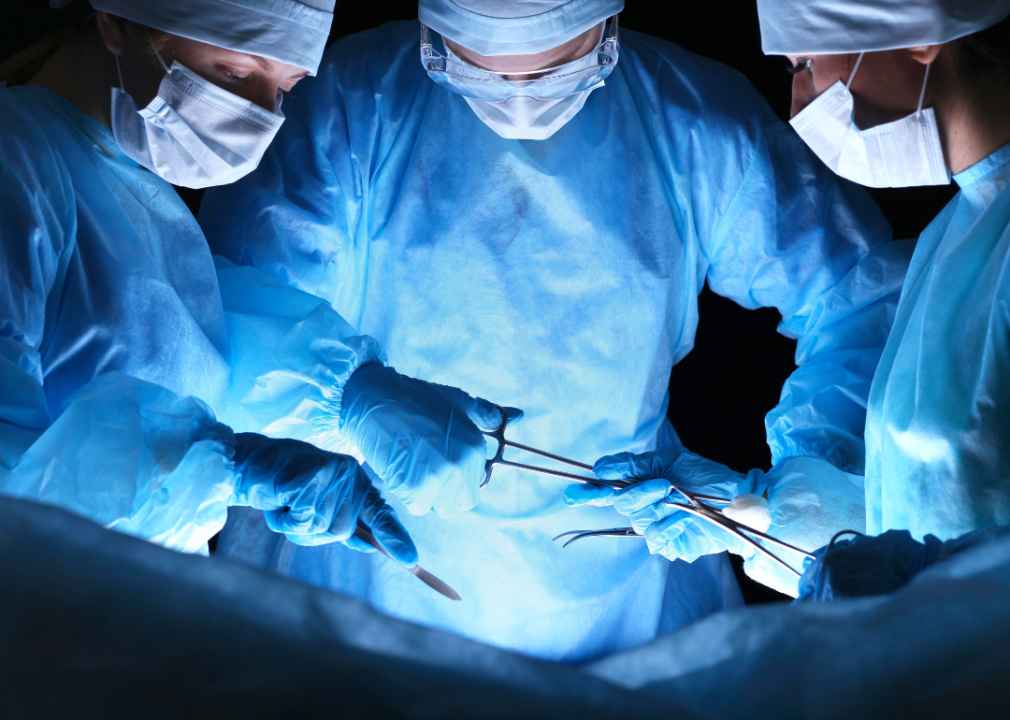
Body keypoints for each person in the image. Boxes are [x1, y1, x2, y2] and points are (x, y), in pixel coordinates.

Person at [198, 0, 911, 661]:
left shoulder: (692, 121)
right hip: (358, 572)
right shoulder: (351, 106)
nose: (514, 91)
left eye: (549, 63)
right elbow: (215, 320)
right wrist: (345, 400)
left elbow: (861, 299)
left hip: (629, 590)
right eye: (474, 60)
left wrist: (797, 492)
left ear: (606, 24)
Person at [572, 0, 1010, 596]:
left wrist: (928, 596)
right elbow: (938, 516)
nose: (798, 105)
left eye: (803, 62)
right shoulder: (963, 231)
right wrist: (756, 517)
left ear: (919, 32)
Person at [0, 0, 419, 564]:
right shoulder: (16, 164)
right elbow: (17, 498)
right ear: (119, 21)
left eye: (286, 89)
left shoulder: (126, 188)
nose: (262, 114)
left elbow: (182, 358)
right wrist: (226, 470)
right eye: (237, 73)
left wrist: (357, 398)